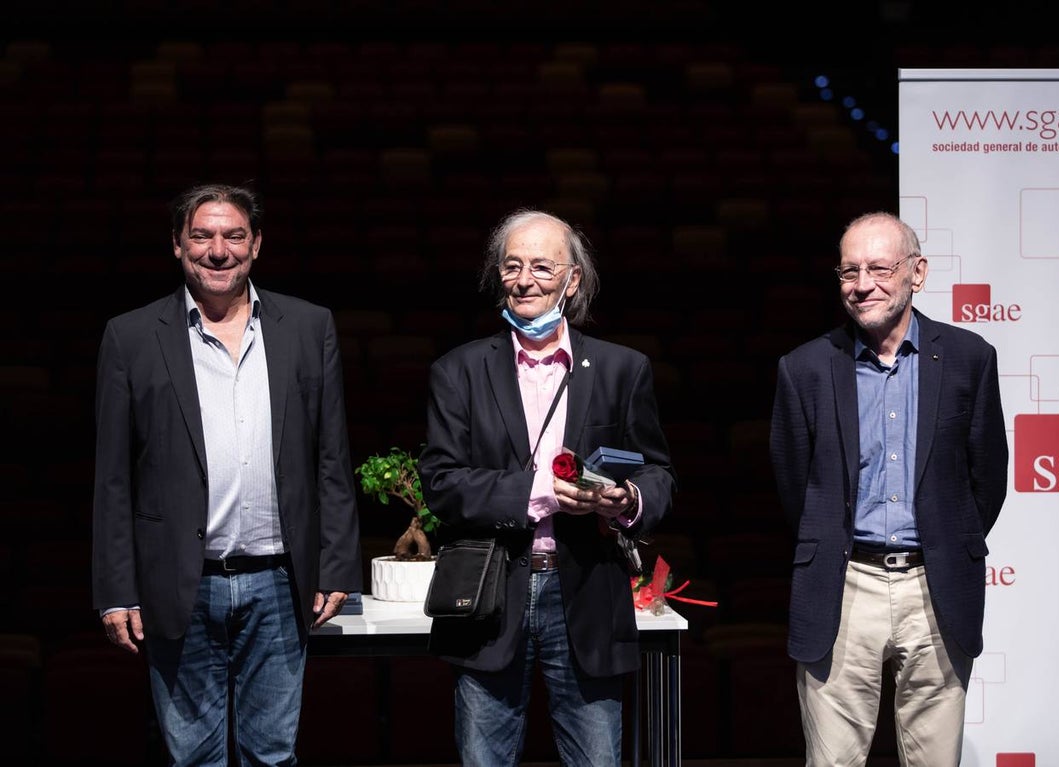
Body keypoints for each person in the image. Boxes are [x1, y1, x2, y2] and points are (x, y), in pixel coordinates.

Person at [92, 182, 362, 766]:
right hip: (180, 585)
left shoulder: (309, 327)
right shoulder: (132, 336)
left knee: (273, 753)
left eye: (234, 235)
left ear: (256, 244)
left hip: (280, 582)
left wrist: (337, 564)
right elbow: (113, 477)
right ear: (177, 245)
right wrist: (116, 590)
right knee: (193, 758)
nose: (219, 250)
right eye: (202, 236)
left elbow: (331, 459)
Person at [418, 208, 676, 766]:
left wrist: (627, 500)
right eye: (513, 266)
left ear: (572, 280)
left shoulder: (620, 369)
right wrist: (541, 493)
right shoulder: (457, 371)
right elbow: (440, 483)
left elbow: (657, 473)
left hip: (586, 590)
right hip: (492, 596)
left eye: (541, 266)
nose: (525, 279)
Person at [768, 211, 1009, 766]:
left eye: (879, 268)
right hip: (843, 584)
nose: (862, 285)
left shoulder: (970, 358)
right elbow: (794, 487)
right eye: (849, 271)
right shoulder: (804, 367)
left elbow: (986, 480)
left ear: (917, 273)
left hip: (936, 586)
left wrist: (947, 543)